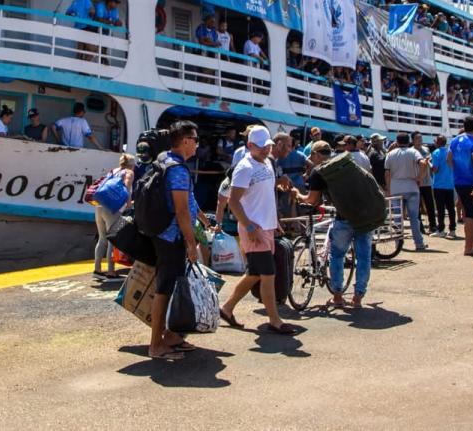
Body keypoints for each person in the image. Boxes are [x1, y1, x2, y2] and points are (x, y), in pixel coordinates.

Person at [219, 127, 303, 335]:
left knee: (255, 274)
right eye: (262, 146)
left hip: (265, 227)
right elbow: (234, 202)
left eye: (268, 145)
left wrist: (274, 222)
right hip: (253, 229)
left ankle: (226, 308)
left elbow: (264, 194)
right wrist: (249, 226)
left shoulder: (266, 163)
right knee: (267, 274)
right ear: (250, 146)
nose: (267, 149)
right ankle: (275, 320)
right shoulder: (244, 167)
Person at [148, 121, 210, 361]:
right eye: (195, 139)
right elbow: (182, 210)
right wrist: (190, 243)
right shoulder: (178, 170)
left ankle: (171, 337)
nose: (197, 144)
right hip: (171, 237)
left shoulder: (165, 160)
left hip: (163, 233)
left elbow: (190, 201)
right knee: (164, 290)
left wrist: (204, 220)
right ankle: (156, 345)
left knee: (169, 287)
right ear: (185, 141)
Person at [288, 141, 374, 308]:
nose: (310, 160)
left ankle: (337, 296)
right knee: (364, 257)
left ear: (317, 154)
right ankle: (358, 298)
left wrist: (297, 194)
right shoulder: (347, 163)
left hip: (344, 218)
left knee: (337, 255)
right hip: (365, 215)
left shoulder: (319, 172)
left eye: (311, 155)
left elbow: (312, 200)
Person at [92, 154, 135, 279]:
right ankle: (111, 271)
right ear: (131, 165)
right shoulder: (129, 173)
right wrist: (128, 206)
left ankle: (97, 270)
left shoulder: (113, 171)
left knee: (102, 238)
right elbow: (126, 187)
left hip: (99, 206)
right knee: (113, 239)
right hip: (112, 209)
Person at [385, 132, 427, 251]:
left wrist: (388, 189)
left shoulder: (390, 154)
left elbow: (387, 173)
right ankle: (419, 243)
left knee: (397, 218)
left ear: (397, 142)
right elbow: (423, 163)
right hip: (411, 186)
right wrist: (420, 177)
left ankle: (398, 244)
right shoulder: (413, 152)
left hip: (396, 188)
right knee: (414, 218)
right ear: (409, 141)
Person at [449, 116, 473, 256]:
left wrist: (456, 173)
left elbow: (449, 159)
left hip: (459, 182)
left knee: (468, 212)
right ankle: (470, 246)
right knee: (472, 215)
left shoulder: (454, 140)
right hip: (472, 182)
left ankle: (471, 245)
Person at [412, 132, 439, 236]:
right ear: (413, 140)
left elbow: (430, 162)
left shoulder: (426, 149)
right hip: (417, 182)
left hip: (427, 181)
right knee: (417, 206)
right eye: (417, 138)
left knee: (430, 205)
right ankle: (420, 227)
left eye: (420, 138)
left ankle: (433, 225)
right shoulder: (412, 151)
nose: (420, 140)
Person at [430, 135, 457, 238]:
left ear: (437, 142)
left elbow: (435, 169)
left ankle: (441, 229)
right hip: (450, 183)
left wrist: (429, 164)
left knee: (440, 208)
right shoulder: (450, 152)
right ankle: (452, 229)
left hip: (439, 184)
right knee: (451, 208)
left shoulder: (436, 153)